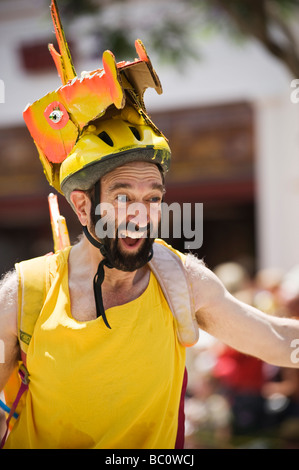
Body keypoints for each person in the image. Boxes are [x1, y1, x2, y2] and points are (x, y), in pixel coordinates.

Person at [1, 0, 299, 449]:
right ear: (82, 207)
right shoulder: (25, 293)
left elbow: (276, 339)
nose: (141, 214)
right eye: (123, 198)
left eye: (153, 198)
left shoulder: (180, 278)